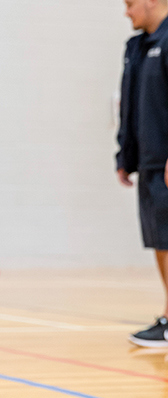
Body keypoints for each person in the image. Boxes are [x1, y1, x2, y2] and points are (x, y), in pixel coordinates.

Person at [118, 0, 168, 347]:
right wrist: (125, 154)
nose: (127, 12)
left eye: (130, 3)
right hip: (148, 160)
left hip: (166, 162)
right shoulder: (136, 47)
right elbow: (130, 104)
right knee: (159, 242)